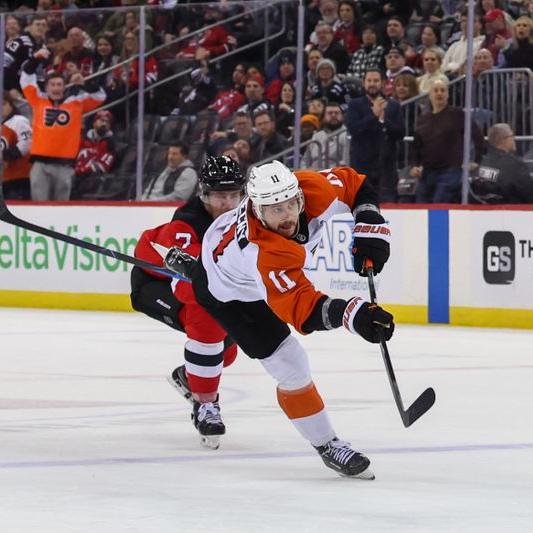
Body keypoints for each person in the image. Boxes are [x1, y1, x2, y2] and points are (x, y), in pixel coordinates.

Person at [159, 160, 394, 479]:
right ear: (256, 209)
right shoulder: (263, 250)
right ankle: (327, 444)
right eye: (274, 209)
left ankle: (192, 267)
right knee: (291, 364)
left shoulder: (310, 188)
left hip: (229, 255)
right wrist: (355, 315)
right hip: (229, 293)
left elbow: (355, 183)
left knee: (283, 352)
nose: (286, 216)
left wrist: (369, 223)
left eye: (290, 204)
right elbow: (304, 309)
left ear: (299, 195)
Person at [131, 156, 246, 449]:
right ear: (204, 194)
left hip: (205, 289)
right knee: (204, 312)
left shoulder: (245, 217)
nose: (228, 202)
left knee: (228, 350)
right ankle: (206, 406)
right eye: (220, 195)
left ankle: (189, 375)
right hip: (156, 286)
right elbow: (195, 274)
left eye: (234, 194)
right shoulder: (187, 223)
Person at [21, 48, 105, 201]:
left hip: (65, 165)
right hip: (40, 165)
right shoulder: (38, 100)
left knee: (61, 210)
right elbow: (26, 78)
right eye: (52, 85)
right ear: (46, 88)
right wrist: (35, 58)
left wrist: (84, 83)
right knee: (39, 210)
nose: (56, 88)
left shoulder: (76, 103)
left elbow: (100, 96)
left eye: (59, 85)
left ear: (64, 87)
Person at [411, 78, 486, 203]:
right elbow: (416, 146)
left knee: (439, 205)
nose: (439, 93)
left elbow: (477, 135)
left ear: (448, 94)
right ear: (430, 95)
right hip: (426, 172)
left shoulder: (457, 114)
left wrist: (477, 160)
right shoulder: (423, 119)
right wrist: (414, 165)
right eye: (436, 90)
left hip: (450, 171)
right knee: (420, 207)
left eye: (442, 90)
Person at [346, 68, 405, 202]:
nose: (372, 84)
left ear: (383, 83)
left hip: (386, 169)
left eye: (376, 80)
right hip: (361, 168)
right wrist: (373, 115)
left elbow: (400, 133)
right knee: (362, 206)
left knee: (387, 207)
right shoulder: (355, 105)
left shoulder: (393, 106)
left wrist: (383, 120)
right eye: (369, 80)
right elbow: (354, 129)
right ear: (364, 83)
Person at [0, 92, 33, 201]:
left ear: (10, 105)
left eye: (3, 104)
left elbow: (26, 144)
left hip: (20, 176)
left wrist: (4, 155)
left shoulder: (19, 121)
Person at [473, 123, 533, 203]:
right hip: (513, 210)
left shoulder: (482, 162)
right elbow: (532, 194)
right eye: (512, 136)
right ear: (504, 139)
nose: (514, 139)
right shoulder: (514, 165)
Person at [74, 109, 116, 180]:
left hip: (93, 180)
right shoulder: (82, 140)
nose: (104, 124)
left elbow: (102, 166)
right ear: (94, 123)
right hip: (74, 175)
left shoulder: (110, 144)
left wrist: (81, 170)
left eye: (107, 122)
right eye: (102, 120)